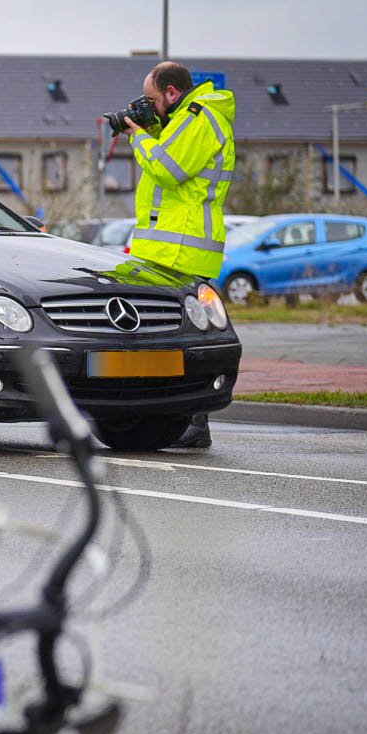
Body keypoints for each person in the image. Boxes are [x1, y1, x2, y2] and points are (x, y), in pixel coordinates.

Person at [123, 60, 237, 449]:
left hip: (183, 247)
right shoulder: (187, 119)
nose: (148, 106)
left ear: (172, 93)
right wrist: (152, 127)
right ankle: (175, 417)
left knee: (185, 338)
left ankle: (194, 420)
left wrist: (139, 136)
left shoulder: (199, 117)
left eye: (152, 99)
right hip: (171, 245)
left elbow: (169, 168)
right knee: (169, 338)